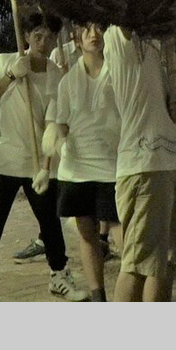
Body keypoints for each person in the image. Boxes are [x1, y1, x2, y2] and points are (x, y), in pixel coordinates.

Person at [0, 12, 87, 301]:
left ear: (57, 39)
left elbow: (55, 122)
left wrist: (46, 166)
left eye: (49, 37)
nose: (43, 42)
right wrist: (11, 76)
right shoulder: (3, 62)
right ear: (26, 37)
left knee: (50, 224)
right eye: (37, 36)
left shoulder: (58, 76)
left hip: (38, 165)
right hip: (5, 158)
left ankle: (58, 276)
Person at [103, 25, 176, 302]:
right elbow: (126, 11)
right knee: (138, 264)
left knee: (164, 262)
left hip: (174, 161)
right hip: (145, 164)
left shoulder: (162, 43)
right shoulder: (121, 37)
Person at [44, 22, 121, 301]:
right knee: (86, 233)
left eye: (98, 28)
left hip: (113, 166)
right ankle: (97, 295)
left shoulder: (118, 74)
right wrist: (55, 137)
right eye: (86, 30)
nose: (93, 34)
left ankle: (132, 291)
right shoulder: (68, 82)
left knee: (123, 235)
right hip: (76, 168)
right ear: (76, 39)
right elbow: (61, 122)